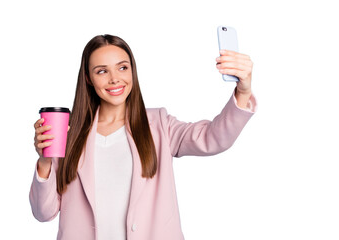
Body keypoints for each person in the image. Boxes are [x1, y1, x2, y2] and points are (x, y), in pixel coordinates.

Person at [30, 34, 257, 240]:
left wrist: (243, 91)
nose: (114, 79)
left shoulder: (159, 125)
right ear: (88, 79)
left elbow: (214, 138)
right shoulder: (70, 135)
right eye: (101, 71)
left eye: (122, 68)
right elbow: (43, 212)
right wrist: (44, 161)